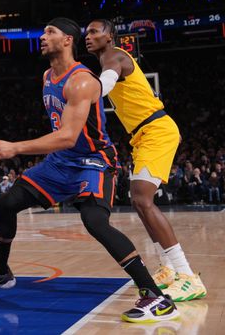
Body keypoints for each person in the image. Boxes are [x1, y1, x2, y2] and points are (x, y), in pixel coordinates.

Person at [0, 18, 178, 323]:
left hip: (93, 160)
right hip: (61, 161)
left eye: (50, 32)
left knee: (95, 222)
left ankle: (155, 295)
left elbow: (68, 135)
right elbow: (61, 138)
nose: (42, 36)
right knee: (6, 203)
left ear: (67, 41)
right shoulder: (48, 76)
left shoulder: (82, 80)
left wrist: (15, 147)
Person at [85, 19, 206, 302]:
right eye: (86, 33)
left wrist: (83, 92)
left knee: (142, 199)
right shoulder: (106, 59)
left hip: (156, 130)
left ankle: (187, 276)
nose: (88, 37)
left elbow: (104, 85)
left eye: (94, 31)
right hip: (143, 135)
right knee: (139, 200)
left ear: (110, 36)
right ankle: (169, 269)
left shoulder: (115, 56)